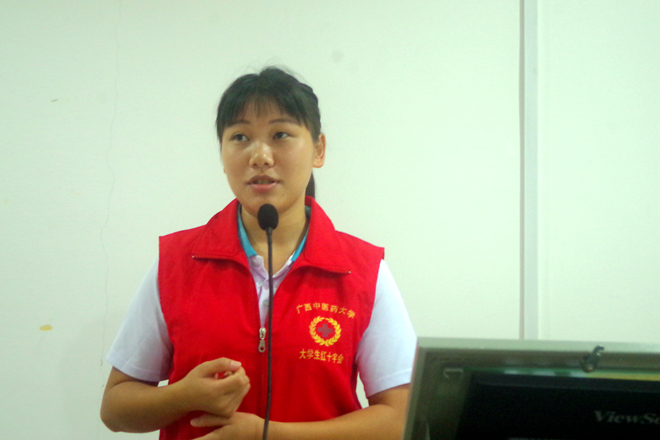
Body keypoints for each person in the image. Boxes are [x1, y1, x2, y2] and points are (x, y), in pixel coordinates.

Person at [100, 67, 416, 440]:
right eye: (240, 137)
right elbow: (115, 409)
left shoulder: (362, 270)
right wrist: (183, 395)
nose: (260, 156)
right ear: (222, 154)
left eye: (280, 134)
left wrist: (267, 435)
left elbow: (399, 419)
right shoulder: (178, 262)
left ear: (318, 150)